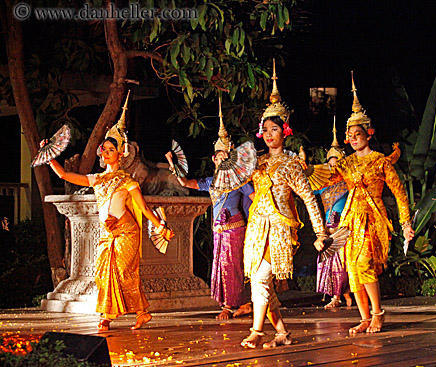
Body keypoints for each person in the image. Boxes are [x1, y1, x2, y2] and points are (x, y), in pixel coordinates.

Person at [44, 94, 174, 331]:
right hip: (107, 235)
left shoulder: (128, 181)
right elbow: (64, 175)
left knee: (124, 274)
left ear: (120, 153)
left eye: (110, 149)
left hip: (126, 234)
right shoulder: (97, 178)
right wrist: (51, 157)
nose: (104, 153)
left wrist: (159, 225)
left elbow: (143, 208)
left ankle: (132, 313)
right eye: (103, 149)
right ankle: (111, 315)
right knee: (103, 275)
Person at [239, 61, 327, 349]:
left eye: (273, 129)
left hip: (278, 228)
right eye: (264, 129)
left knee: (262, 278)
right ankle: (282, 333)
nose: (268, 133)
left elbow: (308, 198)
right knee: (259, 280)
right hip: (256, 226)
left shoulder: (291, 164)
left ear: (284, 131)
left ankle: (256, 331)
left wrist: (320, 232)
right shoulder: (258, 163)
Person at [322, 73, 414, 333]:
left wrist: (405, 223)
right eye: (349, 134)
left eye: (357, 133)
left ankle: (378, 313)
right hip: (350, 220)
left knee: (365, 264)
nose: (352, 138)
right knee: (352, 268)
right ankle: (364, 317)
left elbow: (399, 193)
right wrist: (303, 172)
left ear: (369, 133)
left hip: (372, 219)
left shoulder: (381, 161)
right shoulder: (347, 163)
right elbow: (325, 178)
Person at [166, 98, 254, 320]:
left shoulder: (239, 180)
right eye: (217, 156)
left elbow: (256, 199)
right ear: (214, 159)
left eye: (224, 156)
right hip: (218, 230)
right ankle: (240, 303)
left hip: (235, 227)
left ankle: (230, 305)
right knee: (222, 266)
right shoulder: (211, 182)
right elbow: (186, 183)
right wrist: (173, 166)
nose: (220, 160)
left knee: (232, 266)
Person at [312, 120, 353, 309]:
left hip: (344, 228)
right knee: (329, 263)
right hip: (327, 229)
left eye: (336, 163)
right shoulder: (323, 185)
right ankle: (337, 295)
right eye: (330, 164)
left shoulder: (348, 183)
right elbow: (307, 192)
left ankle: (343, 295)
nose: (333, 167)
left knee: (342, 264)